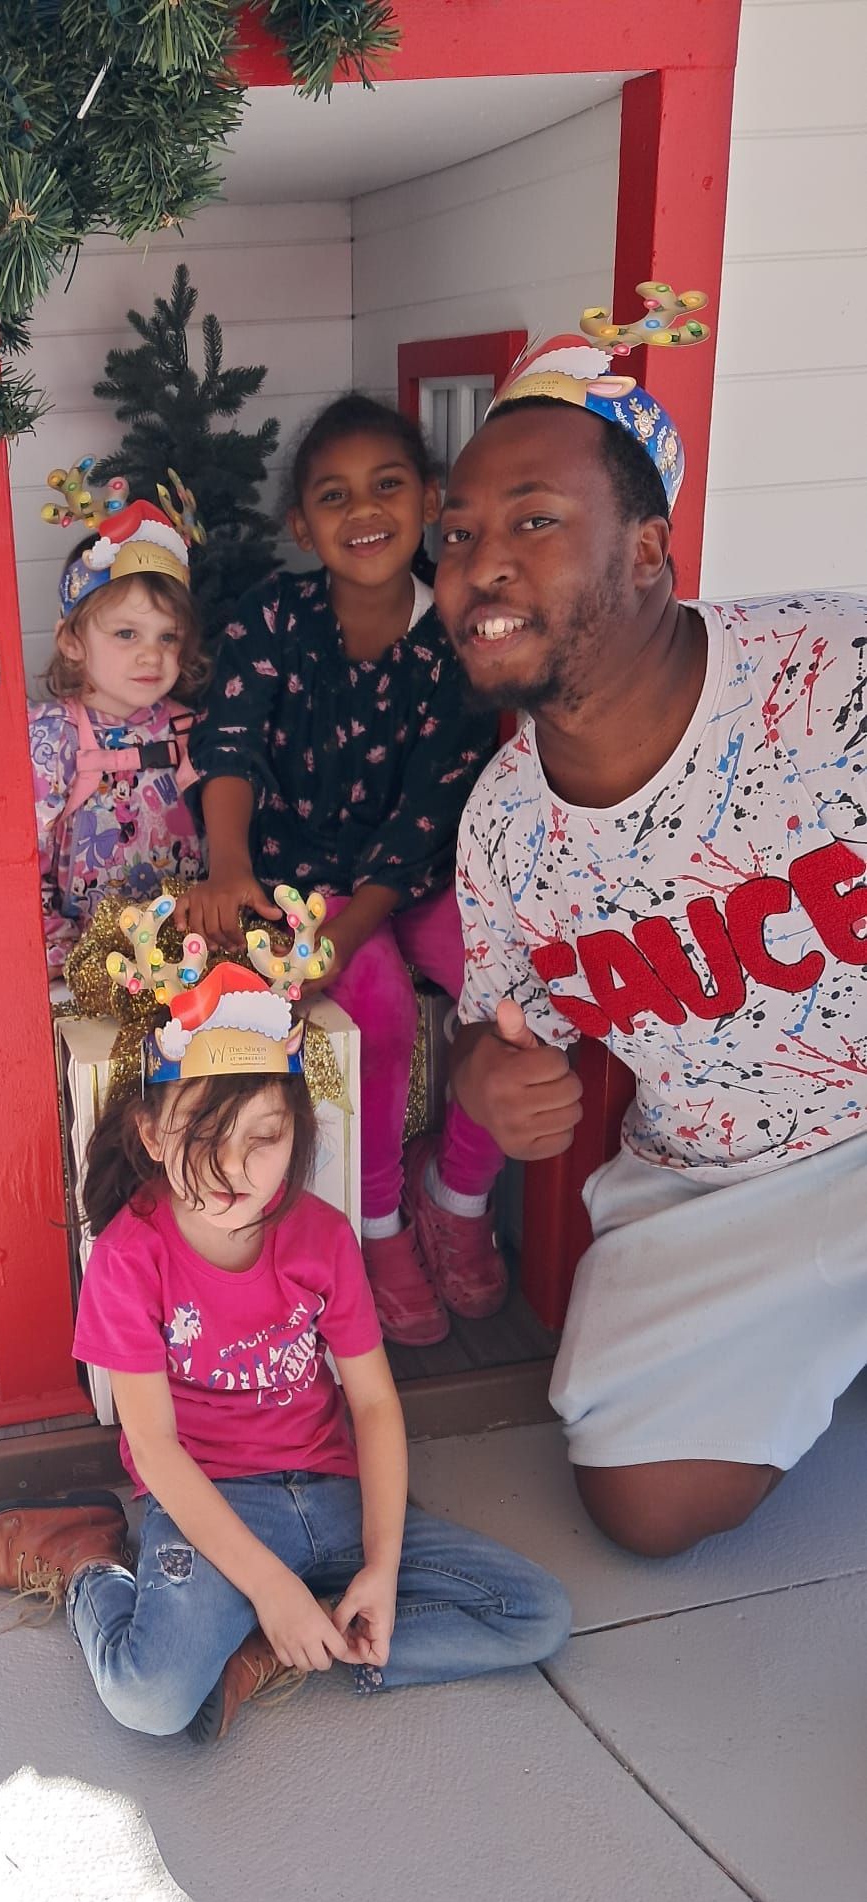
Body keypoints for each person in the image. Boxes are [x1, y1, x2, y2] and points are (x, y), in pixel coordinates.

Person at [437, 302, 867, 1556]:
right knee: (640, 1505)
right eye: (459, 536)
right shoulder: (504, 829)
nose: (481, 563)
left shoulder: (832, 672)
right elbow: (497, 1032)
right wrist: (489, 1081)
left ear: (646, 552)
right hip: (721, 1184)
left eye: (534, 520)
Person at [0, 917, 570, 1742]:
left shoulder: (323, 1238)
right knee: (152, 1700)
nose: (238, 1169)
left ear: (297, 1133)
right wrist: (269, 1586)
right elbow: (156, 1449)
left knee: (537, 1615)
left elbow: (374, 1406)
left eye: (266, 1138)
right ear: (155, 1135)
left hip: (335, 1501)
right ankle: (84, 1557)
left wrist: (380, 1569)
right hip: (214, 1511)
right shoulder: (131, 1259)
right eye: (207, 1136)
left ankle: (273, 1650)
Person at [180, 394, 506, 1347]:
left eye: (388, 484)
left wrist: (350, 930)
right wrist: (231, 869)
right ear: (301, 523)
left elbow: (425, 814)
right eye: (333, 494)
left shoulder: (453, 638)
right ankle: (378, 1222)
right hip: (297, 875)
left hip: (417, 873)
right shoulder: (273, 617)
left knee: (505, 978)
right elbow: (228, 744)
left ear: (431, 500)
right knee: (383, 1012)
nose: (362, 510)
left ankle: (458, 1192)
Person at [30, 462, 207, 979]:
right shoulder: (52, 737)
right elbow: (24, 862)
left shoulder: (187, 730)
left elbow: (221, 843)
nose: (151, 656)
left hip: (182, 964)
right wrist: (65, 957)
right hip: (82, 968)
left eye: (166, 637)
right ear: (72, 641)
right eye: (127, 634)